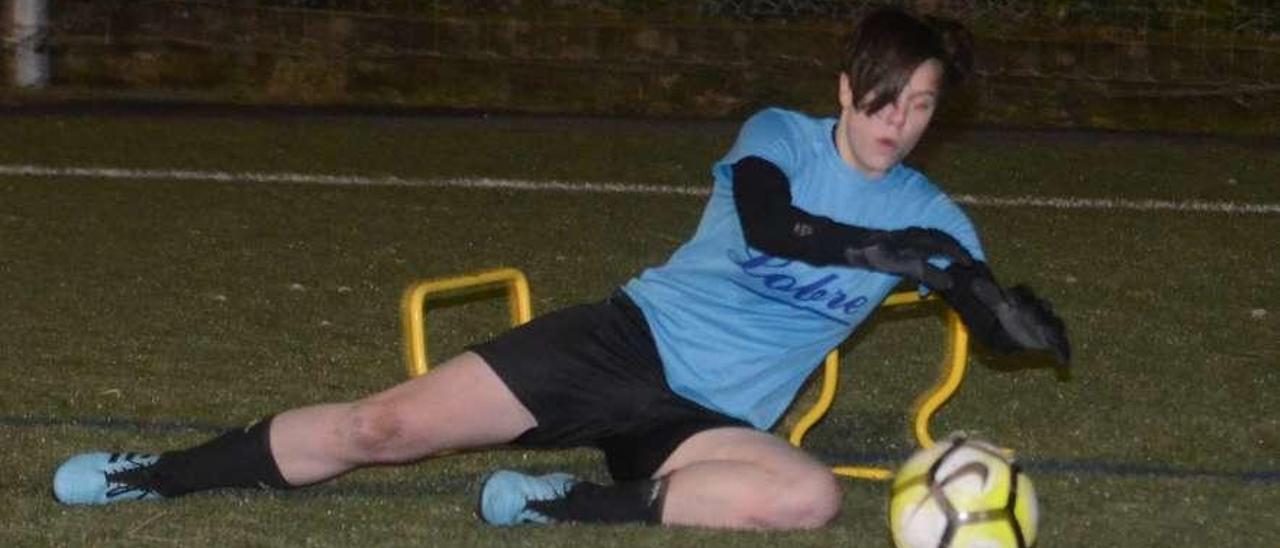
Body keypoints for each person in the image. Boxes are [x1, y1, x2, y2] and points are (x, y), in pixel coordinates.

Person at [51, 7, 1068, 531]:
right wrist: (892, 257)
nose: (896, 125)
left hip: (709, 418)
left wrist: (994, 306)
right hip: (619, 342)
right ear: (846, 88)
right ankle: (158, 473)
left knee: (808, 500)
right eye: (882, 100)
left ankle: (559, 504)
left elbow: (981, 311)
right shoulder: (781, 137)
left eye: (920, 107)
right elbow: (769, 228)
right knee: (383, 426)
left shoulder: (934, 216)